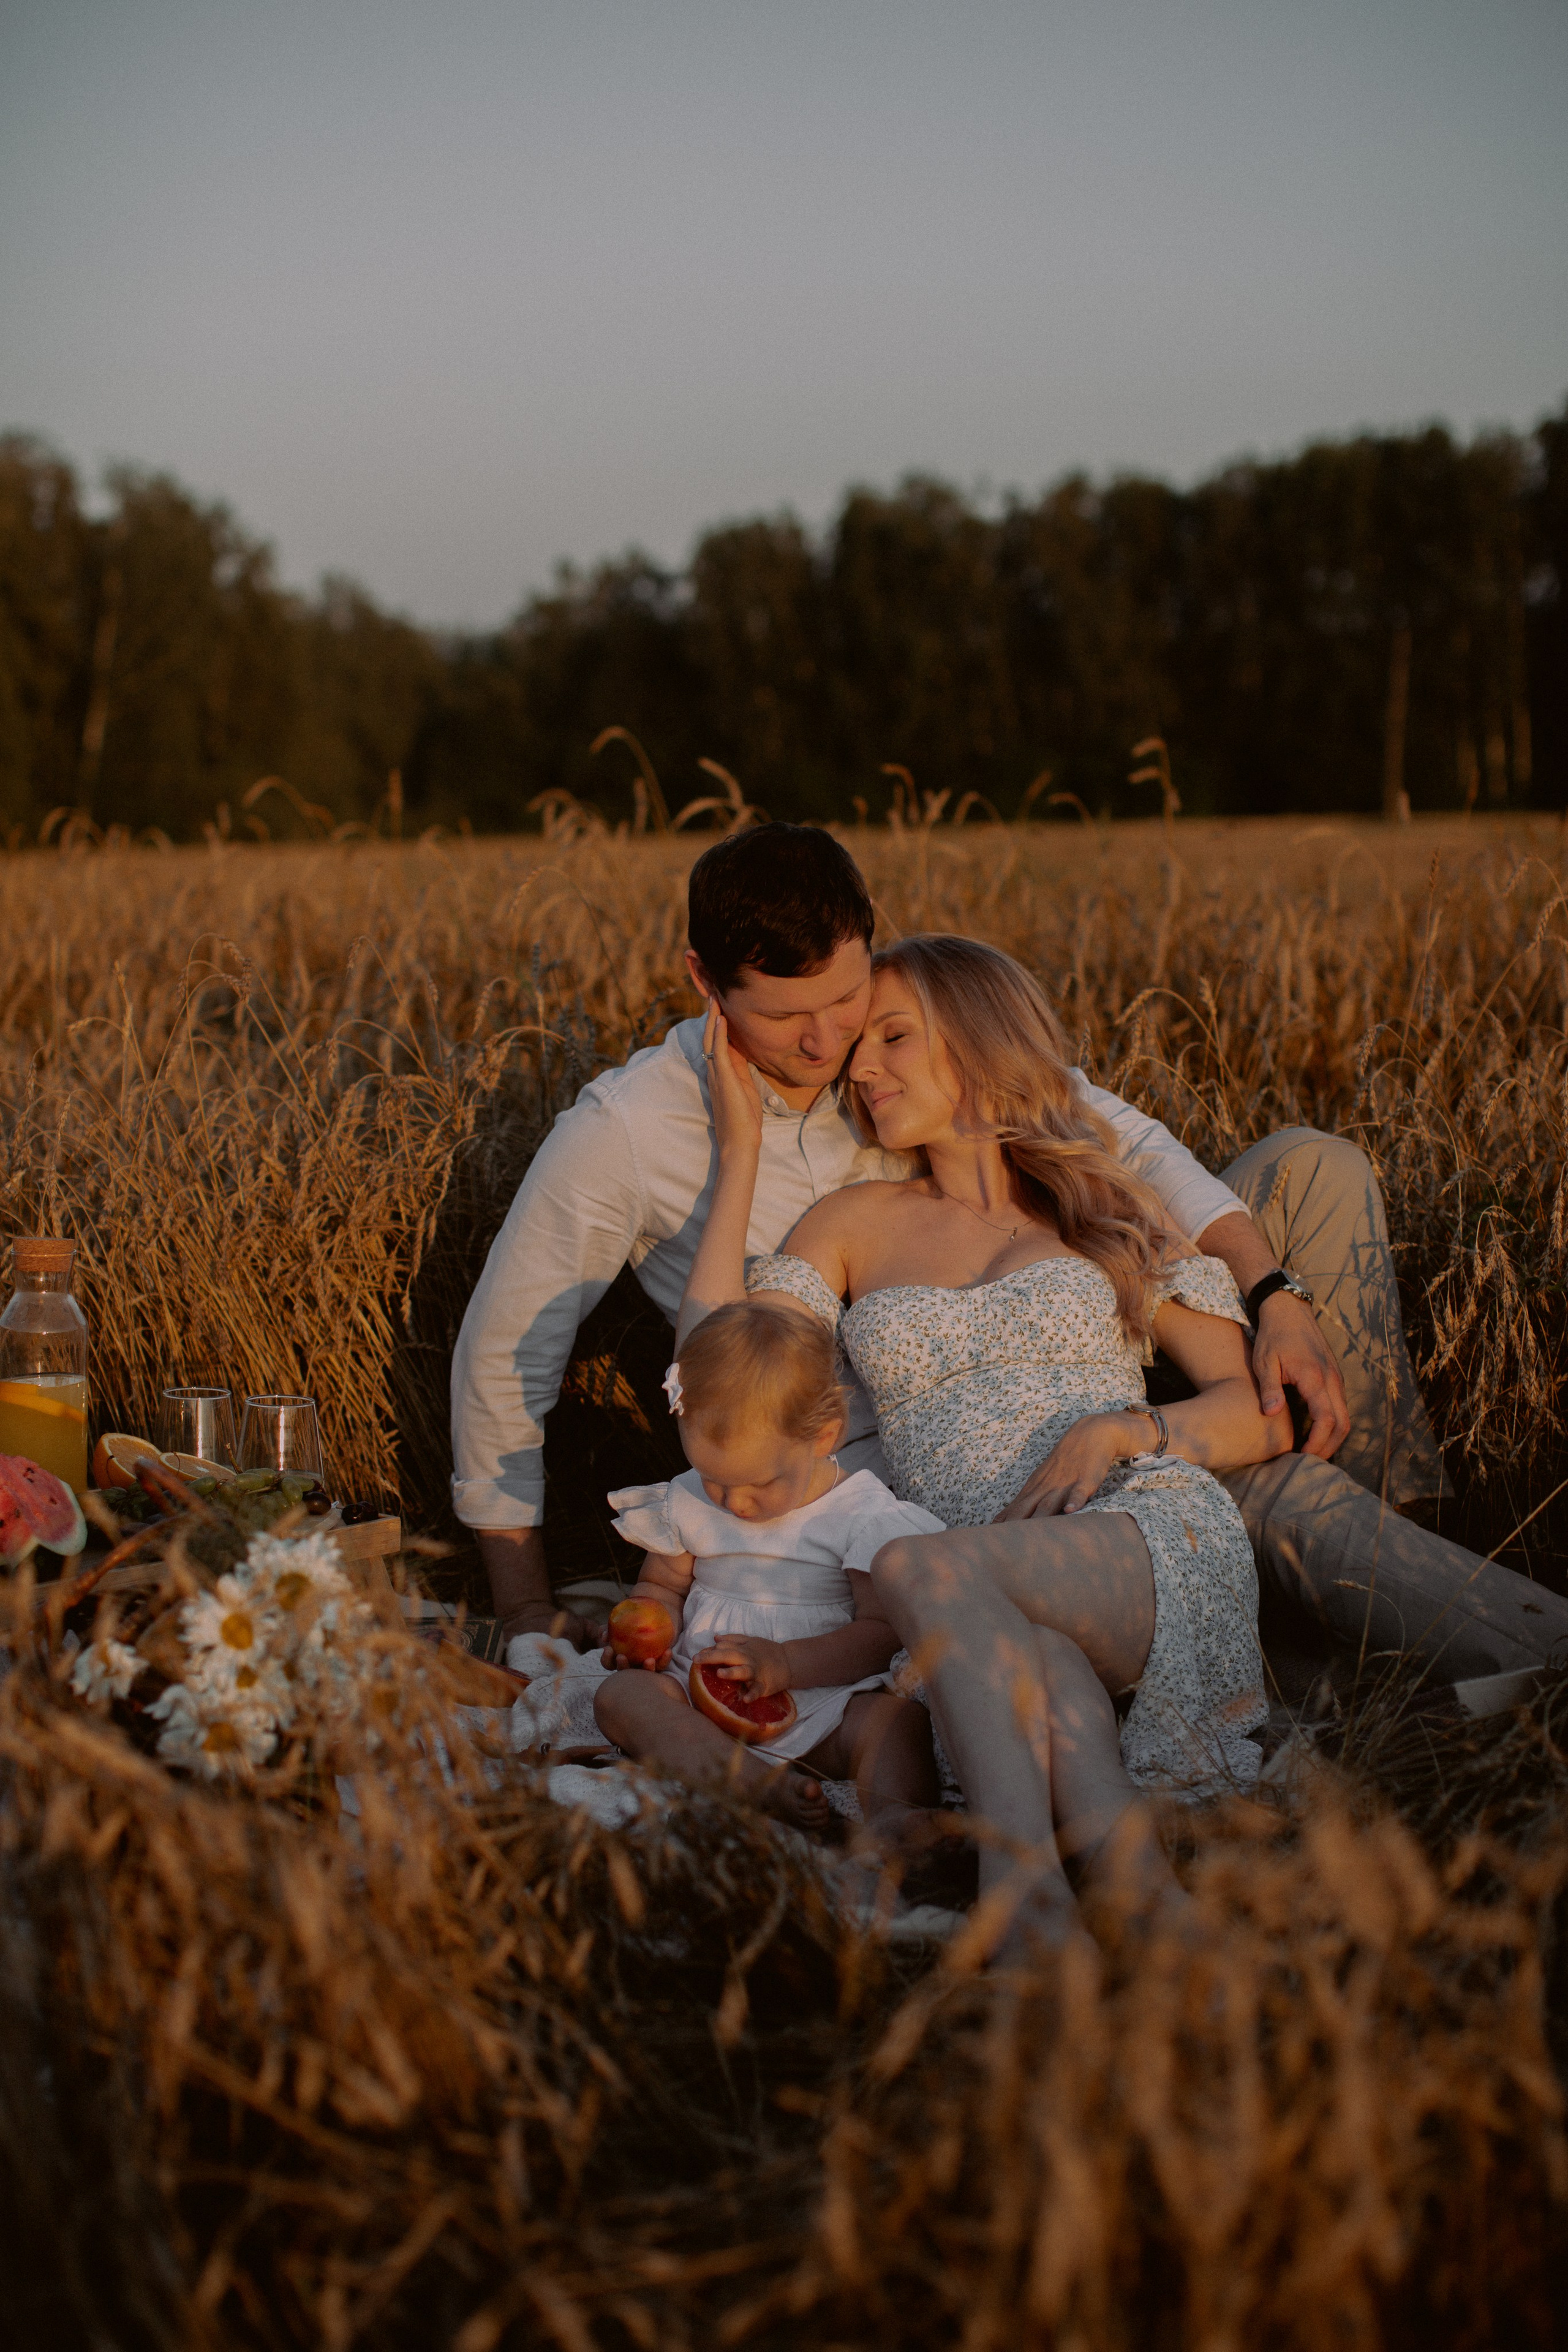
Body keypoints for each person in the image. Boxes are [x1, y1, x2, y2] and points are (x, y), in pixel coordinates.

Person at [450, 821, 1568, 1682]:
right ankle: (1399, 1608)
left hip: (1104, 1381)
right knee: (1256, 1496)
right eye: (790, 1019)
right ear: (705, 982)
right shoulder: (631, 1134)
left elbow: (1142, 1154)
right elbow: (516, 1356)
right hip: (931, 1472)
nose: (836, 1047)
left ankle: (1399, 1547)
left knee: (1310, 1171)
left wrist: (1273, 1292)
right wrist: (524, 1608)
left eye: (853, 1004)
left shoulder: (930, 1046)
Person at [679, 937, 1292, 1949]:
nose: (862, 1069)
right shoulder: (849, 1223)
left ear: (976, 1037)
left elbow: (1258, 1411)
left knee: (913, 1563)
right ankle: (1141, 1898)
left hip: (1134, 1532)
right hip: (974, 1600)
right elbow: (720, 1367)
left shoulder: (1102, 1206)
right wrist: (740, 1154)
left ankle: (1018, 1902)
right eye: (861, 1049)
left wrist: (1120, 1429)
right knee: (1028, 1657)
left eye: (893, 1037)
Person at [594, 1297, 943, 1838]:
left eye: (758, 1483)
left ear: (824, 1435)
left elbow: (880, 1633)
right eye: (714, 1479)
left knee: (894, 1723)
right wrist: (645, 1633)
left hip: (822, 1702)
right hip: (696, 1697)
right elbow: (660, 1585)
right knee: (621, 1698)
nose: (734, 1503)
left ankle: (893, 1821)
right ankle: (751, 1783)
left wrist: (789, 1663)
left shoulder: (860, 1514)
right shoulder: (687, 1500)